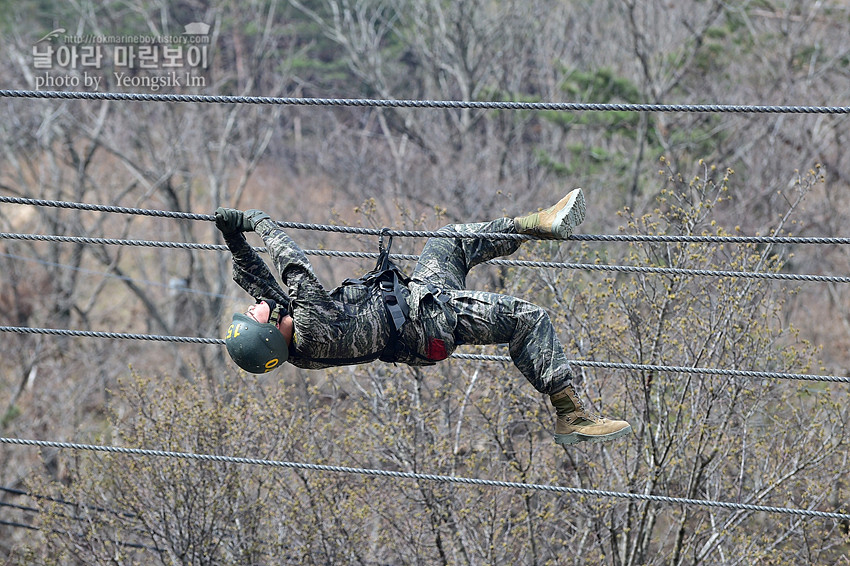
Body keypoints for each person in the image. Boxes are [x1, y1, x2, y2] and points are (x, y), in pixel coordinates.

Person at [216, 189, 631, 446]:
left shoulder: (289, 330)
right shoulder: (311, 331)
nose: (253, 307)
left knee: (449, 240)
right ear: (269, 333)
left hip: (417, 300)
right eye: (253, 316)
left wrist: (233, 235)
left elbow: (259, 281)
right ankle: (570, 412)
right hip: (431, 319)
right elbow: (293, 268)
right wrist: (259, 221)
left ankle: (539, 223)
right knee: (529, 318)